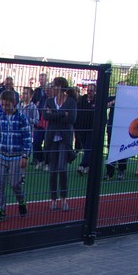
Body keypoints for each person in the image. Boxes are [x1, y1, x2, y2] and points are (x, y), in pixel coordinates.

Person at [0, 90, 32, 221]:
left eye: (7, 105)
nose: (4, 107)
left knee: (15, 184)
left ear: (14, 103)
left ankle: (21, 200)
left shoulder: (21, 118)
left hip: (16, 156)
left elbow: (27, 138)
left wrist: (25, 155)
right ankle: (0, 209)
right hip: (1, 155)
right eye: (2, 104)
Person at [42, 77, 77, 211]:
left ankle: (63, 199)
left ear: (60, 87)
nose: (52, 88)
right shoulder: (49, 101)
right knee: (52, 171)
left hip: (64, 139)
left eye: (54, 86)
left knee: (62, 169)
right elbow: (46, 116)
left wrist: (55, 114)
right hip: (51, 139)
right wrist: (63, 114)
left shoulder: (71, 102)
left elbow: (72, 118)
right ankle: (53, 200)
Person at [75, 83, 97, 176]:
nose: (89, 92)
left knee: (88, 147)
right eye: (88, 90)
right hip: (82, 128)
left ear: (95, 91)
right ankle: (88, 166)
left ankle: (82, 165)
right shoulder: (82, 99)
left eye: (91, 91)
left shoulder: (97, 100)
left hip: (92, 129)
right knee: (85, 148)